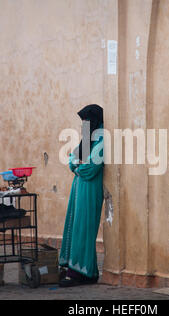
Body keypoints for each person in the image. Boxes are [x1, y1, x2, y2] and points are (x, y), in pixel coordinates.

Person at [59, 104, 104, 287]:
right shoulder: (87, 140)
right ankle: (81, 271)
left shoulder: (102, 141)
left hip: (90, 189)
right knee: (75, 226)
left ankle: (82, 273)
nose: (84, 125)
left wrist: (77, 166)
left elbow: (91, 167)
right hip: (78, 188)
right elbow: (72, 160)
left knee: (84, 229)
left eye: (87, 121)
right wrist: (77, 165)